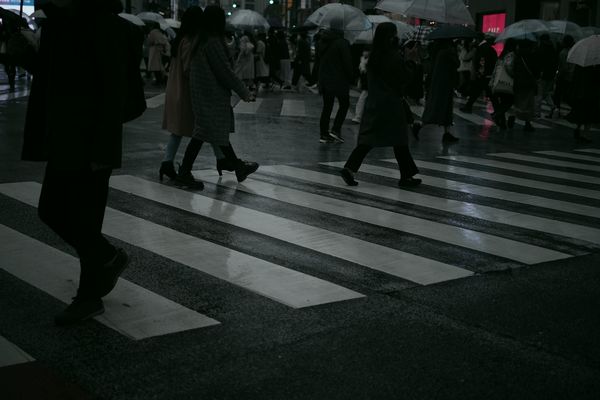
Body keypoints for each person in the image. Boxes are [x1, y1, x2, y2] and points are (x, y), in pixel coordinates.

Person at [21, 0, 145, 325]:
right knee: (51, 210)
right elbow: (50, 75)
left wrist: (102, 151)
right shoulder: (60, 25)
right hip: (64, 136)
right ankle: (107, 258)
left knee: (84, 219)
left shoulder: (103, 25)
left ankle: (89, 296)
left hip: (91, 141)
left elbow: (113, 89)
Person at [176, 5, 259, 187]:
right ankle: (185, 171)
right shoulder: (213, 41)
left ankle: (236, 166)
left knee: (212, 131)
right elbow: (225, 72)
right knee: (204, 132)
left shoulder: (201, 39)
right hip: (211, 95)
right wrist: (244, 92)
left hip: (203, 93)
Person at [340, 22, 421, 188]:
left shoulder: (374, 55)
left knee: (369, 139)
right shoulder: (393, 56)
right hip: (391, 104)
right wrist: (411, 61)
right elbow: (404, 78)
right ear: (391, 37)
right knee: (399, 140)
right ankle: (406, 177)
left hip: (375, 102)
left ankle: (350, 168)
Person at [160, 6, 224, 182]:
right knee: (205, 127)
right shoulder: (190, 41)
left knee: (179, 131)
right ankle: (221, 159)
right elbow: (189, 68)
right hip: (186, 92)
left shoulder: (179, 39)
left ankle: (167, 163)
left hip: (175, 90)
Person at [318, 19, 354, 143]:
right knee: (344, 104)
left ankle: (323, 134)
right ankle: (335, 130)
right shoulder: (342, 43)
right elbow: (347, 63)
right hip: (339, 80)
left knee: (327, 107)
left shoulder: (323, 41)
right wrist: (352, 77)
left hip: (325, 79)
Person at [422, 39, 460, 142]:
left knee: (444, 108)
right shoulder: (447, 52)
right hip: (445, 84)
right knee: (439, 108)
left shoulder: (437, 51)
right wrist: (455, 52)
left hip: (439, 83)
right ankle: (420, 125)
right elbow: (457, 64)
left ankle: (447, 133)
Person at [460, 34, 498, 113]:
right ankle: (498, 111)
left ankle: (468, 106)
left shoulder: (482, 48)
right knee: (483, 92)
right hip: (486, 74)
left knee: (480, 91)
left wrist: (479, 73)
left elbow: (480, 61)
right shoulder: (489, 48)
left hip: (483, 74)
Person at [508, 40, 538, 132]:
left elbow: (512, 69)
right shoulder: (532, 57)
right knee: (529, 104)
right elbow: (536, 71)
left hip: (518, 83)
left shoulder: (517, 57)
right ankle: (527, 124)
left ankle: (513, 116)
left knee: (517, 102)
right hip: (528, 84)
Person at [567, 65, 600, 143]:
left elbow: (575, 78)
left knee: (581, 112)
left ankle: (578, 128)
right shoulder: (596, 67)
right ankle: (585, 134)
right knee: (589, 114)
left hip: (580, 93)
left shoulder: (580, 65)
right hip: (591, 93)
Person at [490, 39, 516, 130]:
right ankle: (497, 114)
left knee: (503, 102)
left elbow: (495, 69)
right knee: (509, 101)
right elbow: (509, 68)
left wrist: (492, 82)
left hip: (498, 82)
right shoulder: (511, 55)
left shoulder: (501, 55)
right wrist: (514, 74)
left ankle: (502, 123)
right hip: (508, 83)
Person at [550, 35, 575, 118]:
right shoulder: (573, 51)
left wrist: (557, 76)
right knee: (567, 95)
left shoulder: (563, 53)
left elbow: (563, 67)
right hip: (571, 76)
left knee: (558, 95)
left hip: (563, 77)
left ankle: (556, 111)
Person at [534, 34, 558, 117]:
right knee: (546, 93)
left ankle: (537, 113)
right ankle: (554, 108)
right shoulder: (553, 49)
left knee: (539, 95)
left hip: (542, 75)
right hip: (551, 75)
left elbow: (538, 63)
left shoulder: (541, 49)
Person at [351, 50, 369, 124]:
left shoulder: (370, 60)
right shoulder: (362, 60)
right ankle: (359, 116)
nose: (365, 53)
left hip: (369, 83)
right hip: (366, 83)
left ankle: (358, 116)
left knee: (362, 99)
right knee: (363, 99)